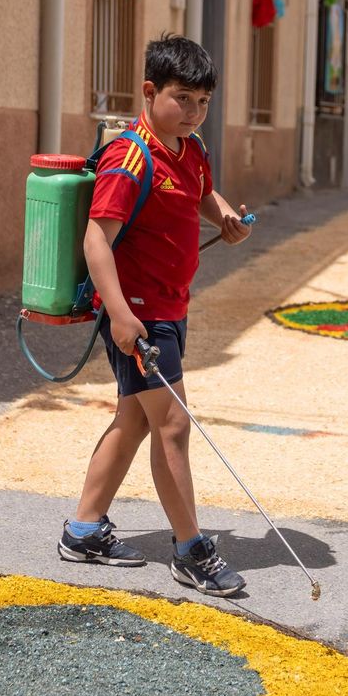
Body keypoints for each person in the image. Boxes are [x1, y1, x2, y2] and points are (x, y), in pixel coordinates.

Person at [57, 33, 253, 596]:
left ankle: (83, 529)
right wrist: (119, 317)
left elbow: (202, 196)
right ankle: (191, 550)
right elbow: (98, 240)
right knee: (172, 424)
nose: (194, 113)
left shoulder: (191, 151)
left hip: (170, 306)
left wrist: (225, 219)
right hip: (140, 317)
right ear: (149, 91)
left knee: (136, 419)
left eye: (204, 103)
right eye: (182, 99)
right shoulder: (130, 155)